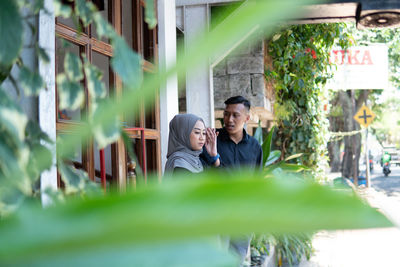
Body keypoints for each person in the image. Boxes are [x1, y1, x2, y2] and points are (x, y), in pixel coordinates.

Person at [201, 95, 263, 265]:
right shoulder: (211, 142)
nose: (229, 119)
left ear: (247, 118)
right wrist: (214, 158)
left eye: (235, 115)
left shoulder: (255, 147)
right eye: (226, 114)